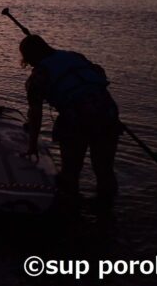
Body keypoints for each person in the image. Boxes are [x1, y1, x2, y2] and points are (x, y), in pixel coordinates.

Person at [20, 34, 121, 203]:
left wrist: (32, 145)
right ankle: (107, 214)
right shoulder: (74, 56)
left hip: (76, 121)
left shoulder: (38, 76)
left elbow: (35, 114)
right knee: (105, 171)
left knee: (70, 173)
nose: (29, 65)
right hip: (108, 113)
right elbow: (99, 74)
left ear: (31, 57)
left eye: (28, 60)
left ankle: (71, 214)